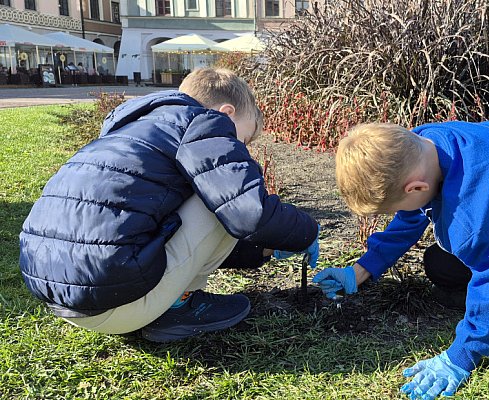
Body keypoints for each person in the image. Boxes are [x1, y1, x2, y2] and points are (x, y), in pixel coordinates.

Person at [19, 68, 320, 343]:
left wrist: (264, 249)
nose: (242, 150)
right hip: (116, 303)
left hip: (60, 299)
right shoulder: (204, 124)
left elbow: (176, 236)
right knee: (219, 196)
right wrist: (308, 231)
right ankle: (178, 306)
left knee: (213, 196)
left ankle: (170, 301)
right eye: (243, 138)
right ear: (226, 114)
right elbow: (247, 213)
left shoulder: (136, 127)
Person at [314, 121, 489, 400]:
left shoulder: (476, 205)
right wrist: (362, 269)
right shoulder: (420, 145)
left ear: (415, 188)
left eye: (393, 208)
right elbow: (411, 217)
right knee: (441, 265)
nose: (397, 213)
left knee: (479, 270)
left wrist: (461, 356)